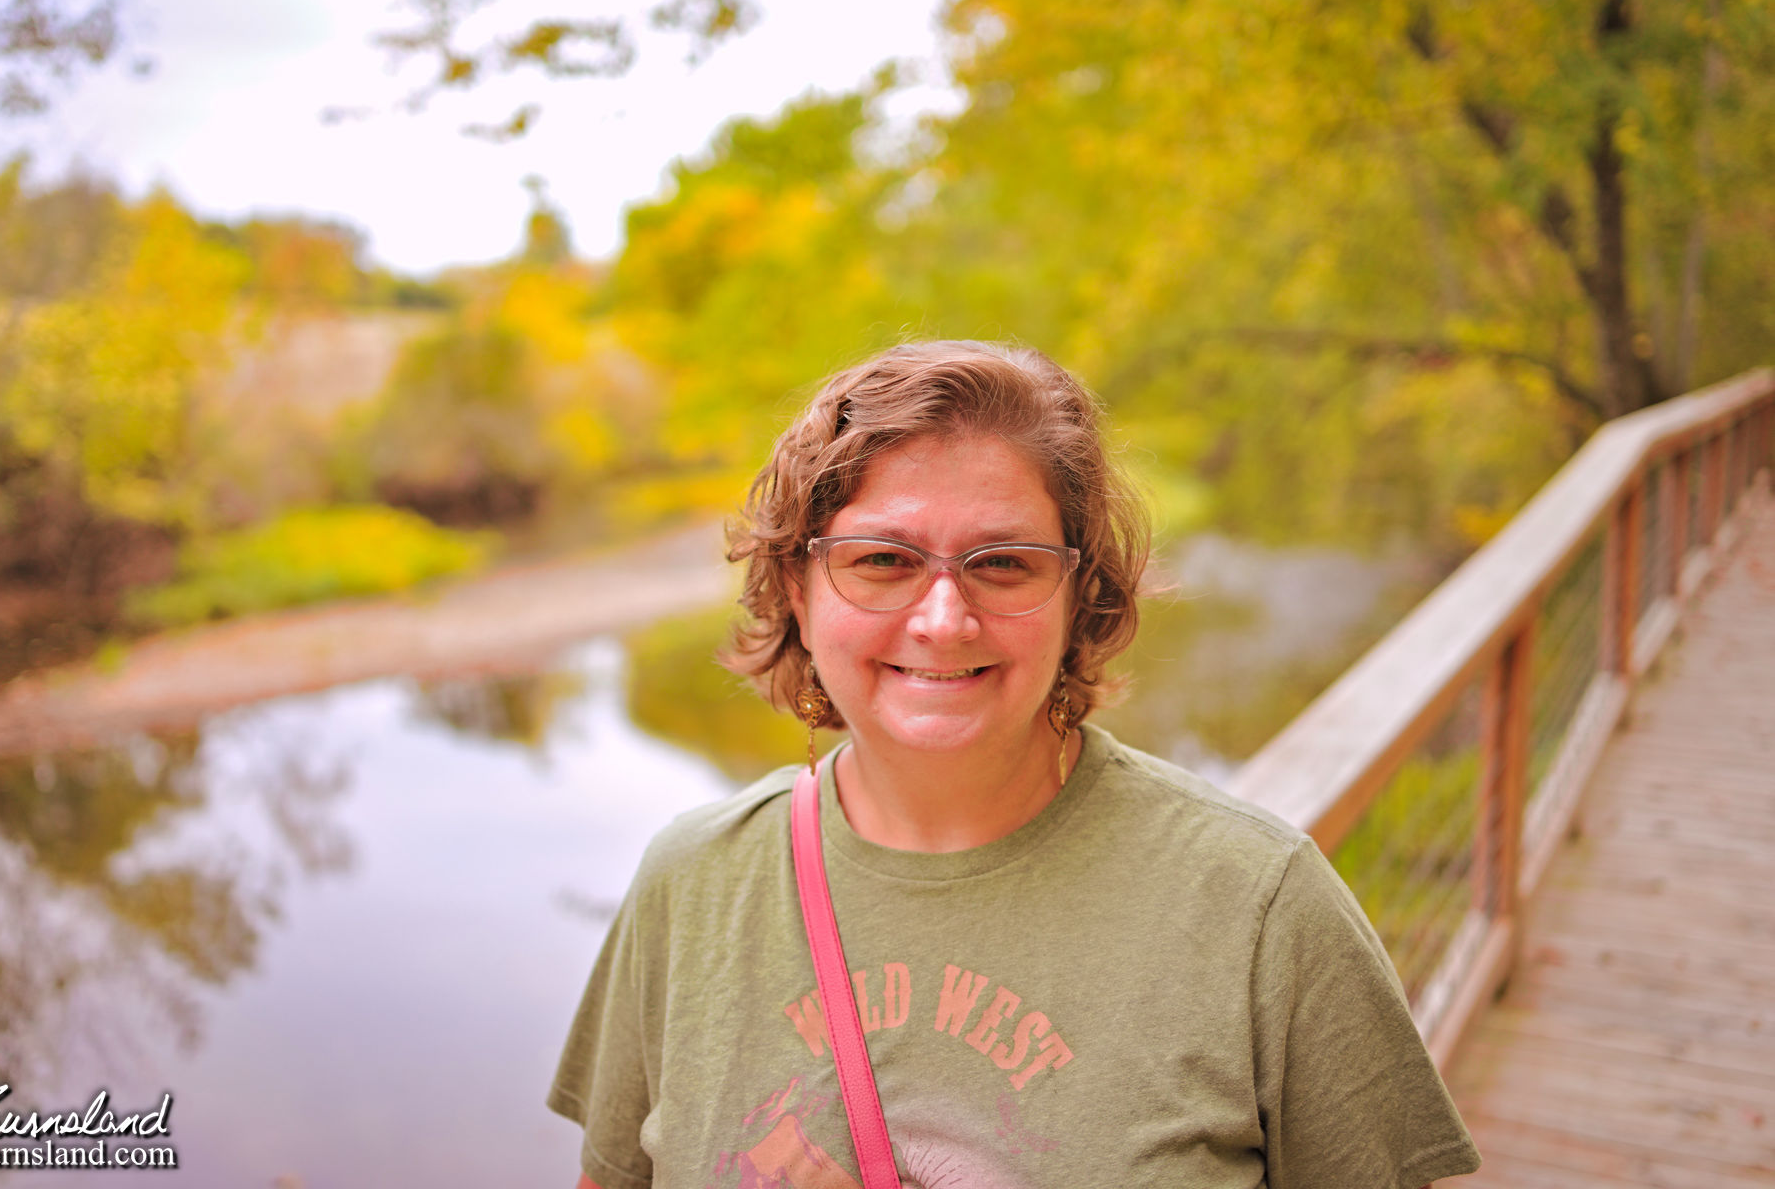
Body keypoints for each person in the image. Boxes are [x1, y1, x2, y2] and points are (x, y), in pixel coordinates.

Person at [549, 341, 1480, 1188]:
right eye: (882, 560)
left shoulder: (1259, 908)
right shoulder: (693, 881)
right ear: (796, 587)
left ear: (1080, 592)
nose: (943, 620)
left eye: (1003, 564)